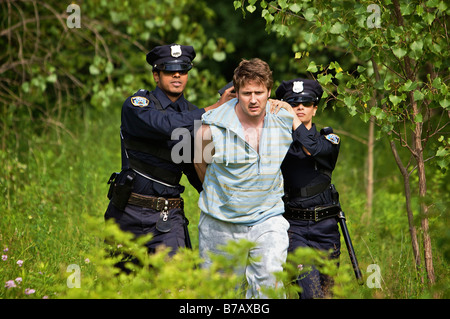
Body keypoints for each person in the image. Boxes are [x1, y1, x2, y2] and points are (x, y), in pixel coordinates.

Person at [104, 43, 233, 266]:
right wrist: (213, 109)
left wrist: (230, 206)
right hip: (128, 212)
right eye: (169, 70)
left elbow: (200, 173)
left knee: (176, 288)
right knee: (120, 288)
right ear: (156, 75)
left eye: (183, 70)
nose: (177, 74)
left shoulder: (195, 116)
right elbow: (167, 125)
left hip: (167, 217)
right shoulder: (138, 105)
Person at [194, 58, 299, 298]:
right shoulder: (211, 126)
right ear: (236, 93)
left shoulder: (282, 118)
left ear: (269, 92)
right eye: (246, 93)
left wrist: (290, 111)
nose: (253, 99)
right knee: (219, 293)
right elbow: (200, 165)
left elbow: (310, 149)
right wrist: (226, 196)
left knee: (270, 286)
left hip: (268, 218)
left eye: (259, 93)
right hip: (221, 221)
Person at [273, 78, 341, 299]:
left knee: (326, 293)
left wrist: (290, 115)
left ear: (315, 108)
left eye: (306, 102)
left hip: (326, 228)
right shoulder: (279, 142)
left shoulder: (328, 140)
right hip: (295, 227)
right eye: (293, 103)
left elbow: (311, 148)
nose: (300, 107)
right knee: (310, 292)